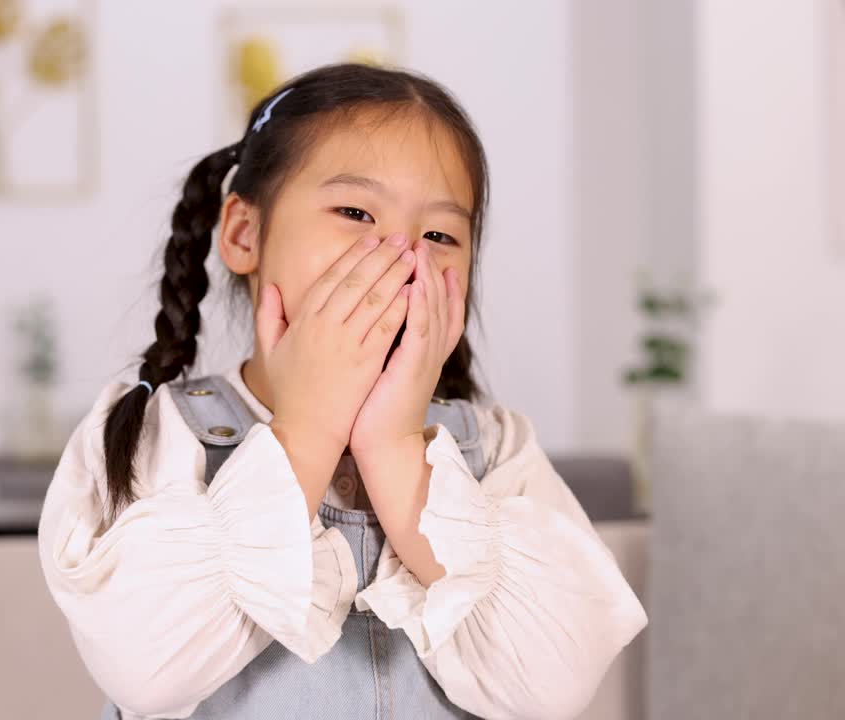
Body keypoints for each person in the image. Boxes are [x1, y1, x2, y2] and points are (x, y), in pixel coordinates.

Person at [37, 62, 648, 720]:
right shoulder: (160, 435)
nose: (400, 256)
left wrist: (392, 448)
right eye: (356, 212)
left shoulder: (495, 452)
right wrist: (307, 428)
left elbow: (551, 686)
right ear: (244, 233)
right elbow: (142, 668)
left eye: (440, 234)